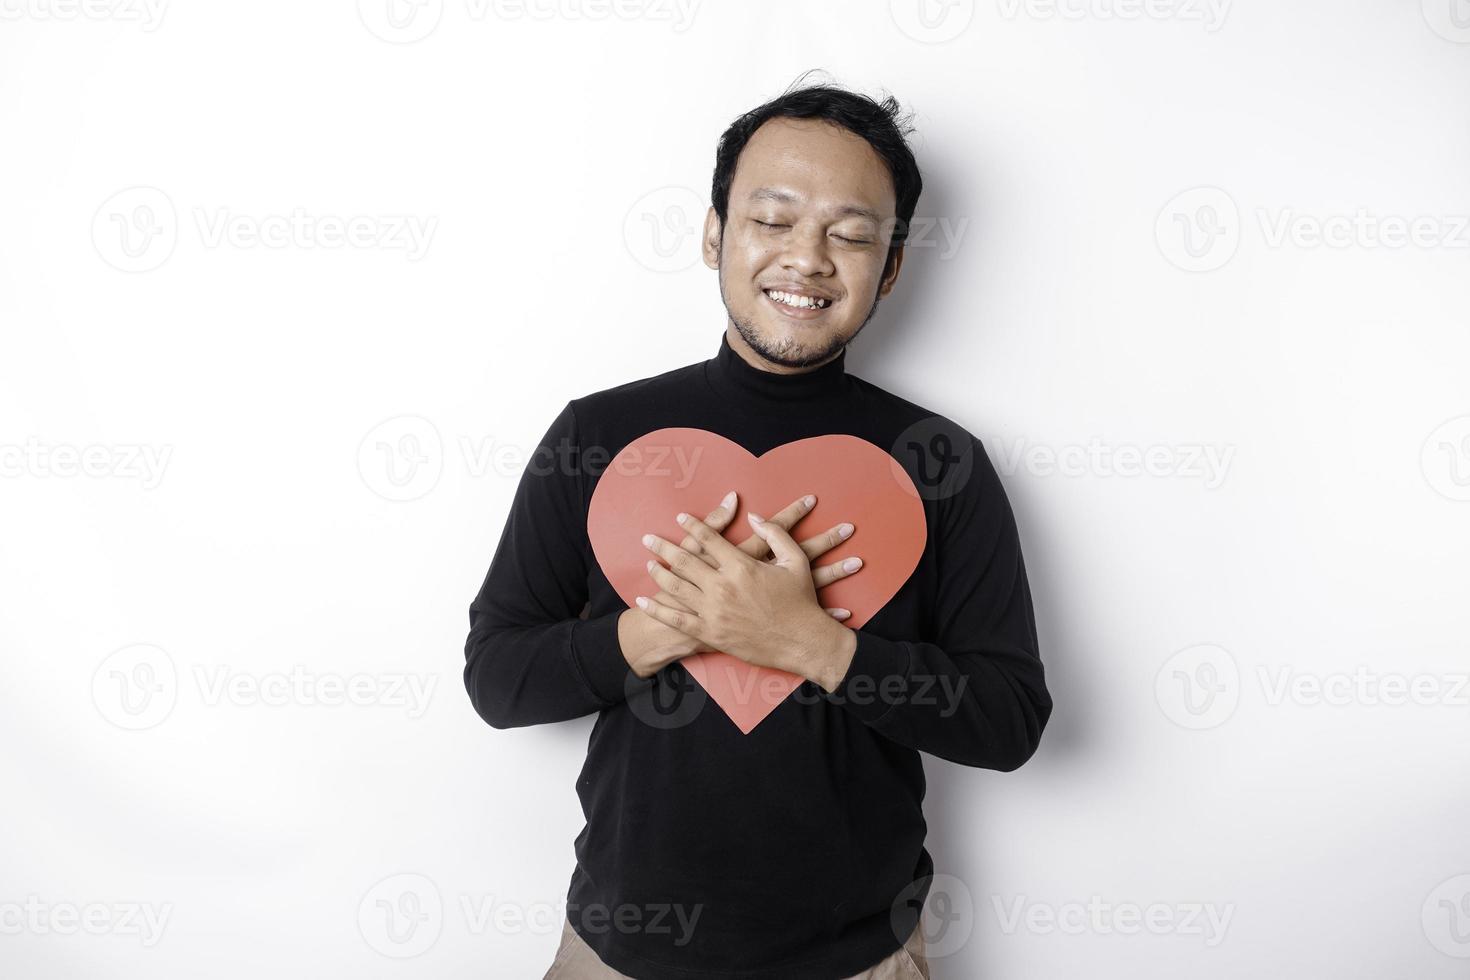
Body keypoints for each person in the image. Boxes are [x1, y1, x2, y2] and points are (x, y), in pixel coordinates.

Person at [463, 75, 1052, 979]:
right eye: (771, 220)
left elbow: (1008, 723)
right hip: (620, 951)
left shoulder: (943, 462)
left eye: (852, 234)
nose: (808, 258)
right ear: (714, 234)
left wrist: (810, 643)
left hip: (863, 956)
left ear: (890, 267)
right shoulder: (596, 435)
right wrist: (665, 626)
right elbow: (498, 680)